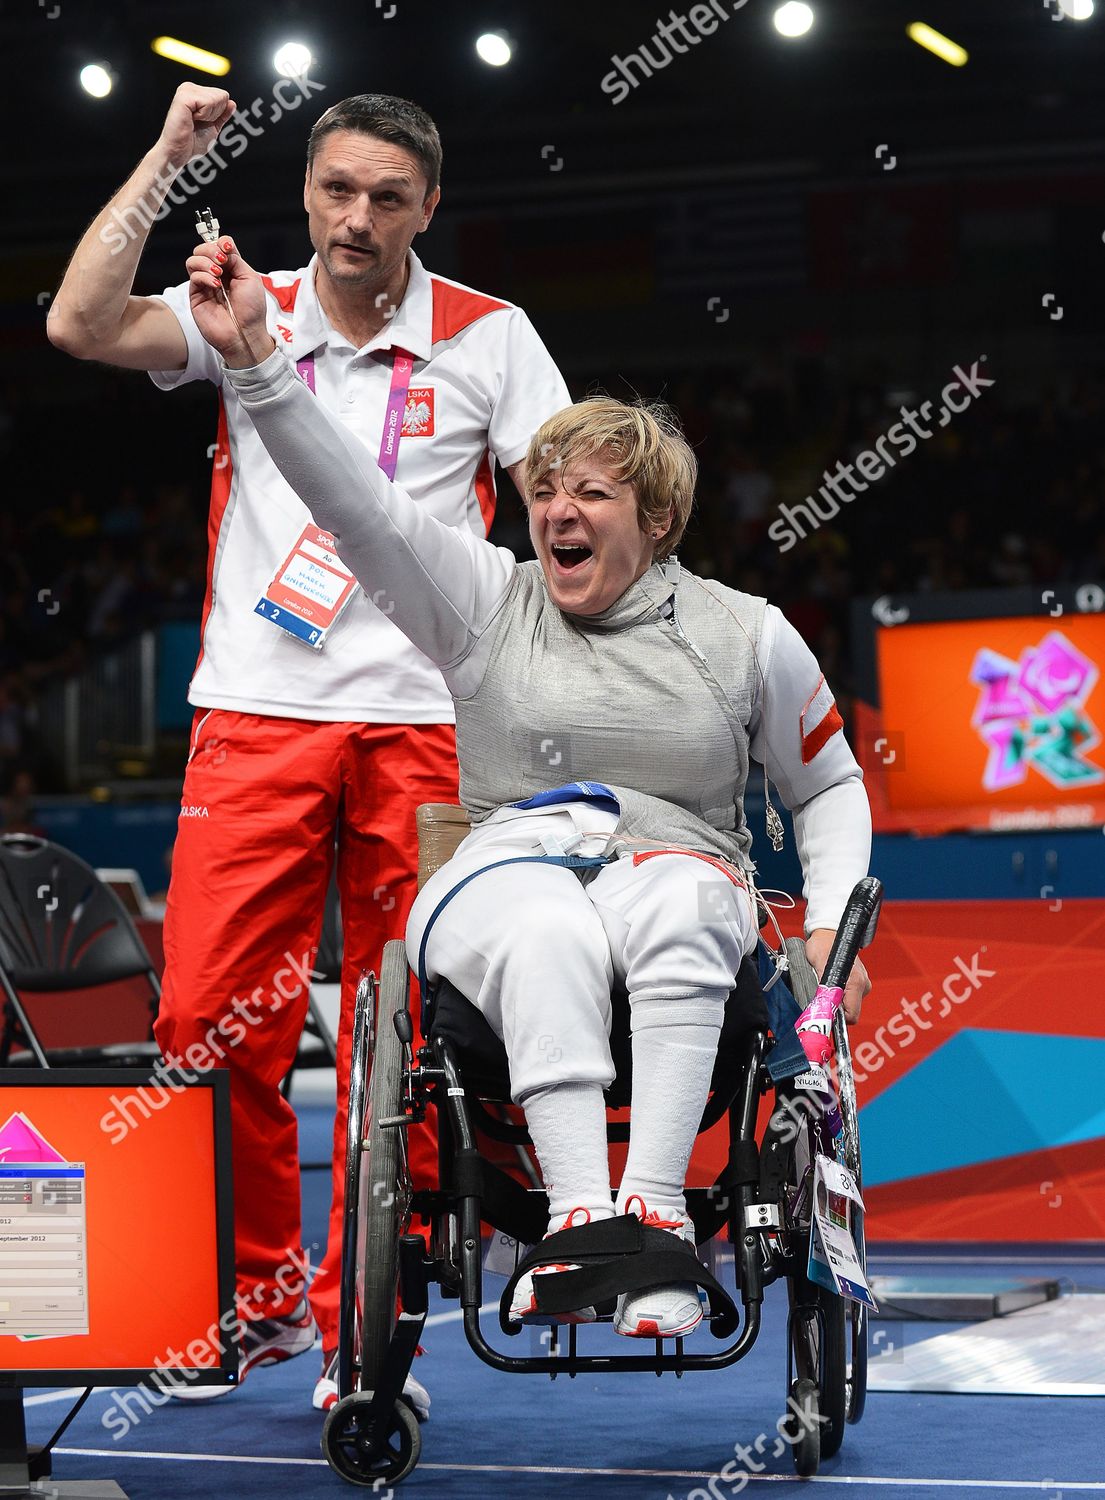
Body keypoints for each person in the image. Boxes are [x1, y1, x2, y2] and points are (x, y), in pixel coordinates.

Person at [185, 235, 873, 1340]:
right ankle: (573, 1222)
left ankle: (652, 1219)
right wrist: (261, 371)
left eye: (590, 492)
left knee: (690, 898)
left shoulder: (747, 633)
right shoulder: (480, 601)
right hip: (509, 870)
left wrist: (832, 919)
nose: (555, 508)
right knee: (547, 917)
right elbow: (356, 504)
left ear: (654, 519)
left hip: (678, 871)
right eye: (543, 487)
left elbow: (828, 783)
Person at [47, 84, 569, 1404]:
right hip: (257, 718)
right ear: (309, 191)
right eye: (337, 188)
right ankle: (261, 1296)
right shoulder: (245, 308)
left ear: (427, 207)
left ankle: (364, 1335)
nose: (357, 217)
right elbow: (78, 323)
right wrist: (170, 156)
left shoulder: (491, 337)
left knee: (416, 1036)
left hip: (431, 724)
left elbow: (568, 498)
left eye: (388, 196)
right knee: (207, 1026)